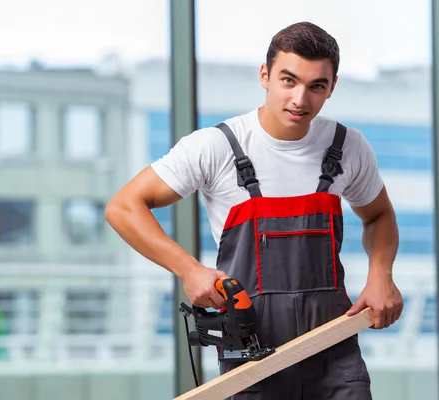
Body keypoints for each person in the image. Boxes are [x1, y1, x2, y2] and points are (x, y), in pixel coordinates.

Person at [105, 21, 403, 399]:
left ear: (332, 87)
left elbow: (379, 215)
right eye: (288, 80)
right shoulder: (215, 147)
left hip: (333, 351)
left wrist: (381, 274)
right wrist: (188, 269)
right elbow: (124, 206)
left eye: (316, 86)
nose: (300, 99)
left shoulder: (348, 147)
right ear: (265, 75)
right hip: (251, 359)